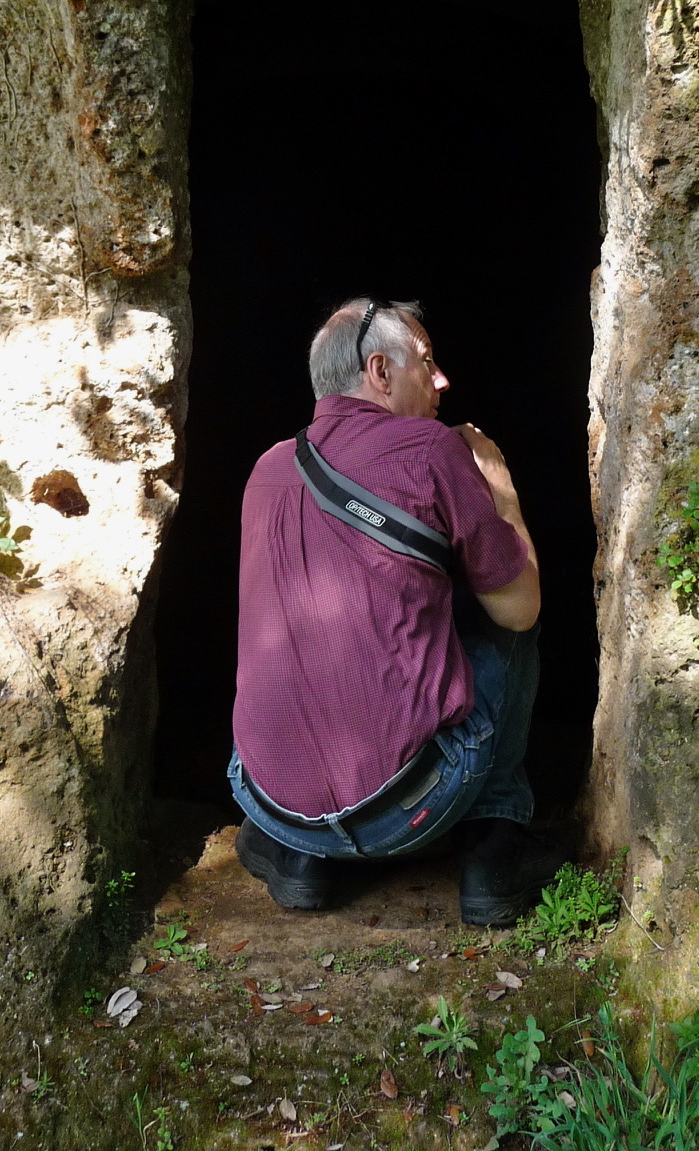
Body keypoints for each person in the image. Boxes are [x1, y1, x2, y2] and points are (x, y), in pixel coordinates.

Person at [228, 296, 568, 924]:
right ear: (380, 372)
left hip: (265, 801)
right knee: (505, 610)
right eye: (428, 362)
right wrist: (501, 488)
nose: (441, 381)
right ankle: (497, 843)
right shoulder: (432, 450)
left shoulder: (267, 468)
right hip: (405, 809)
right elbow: (521, 608)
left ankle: (301, 857)